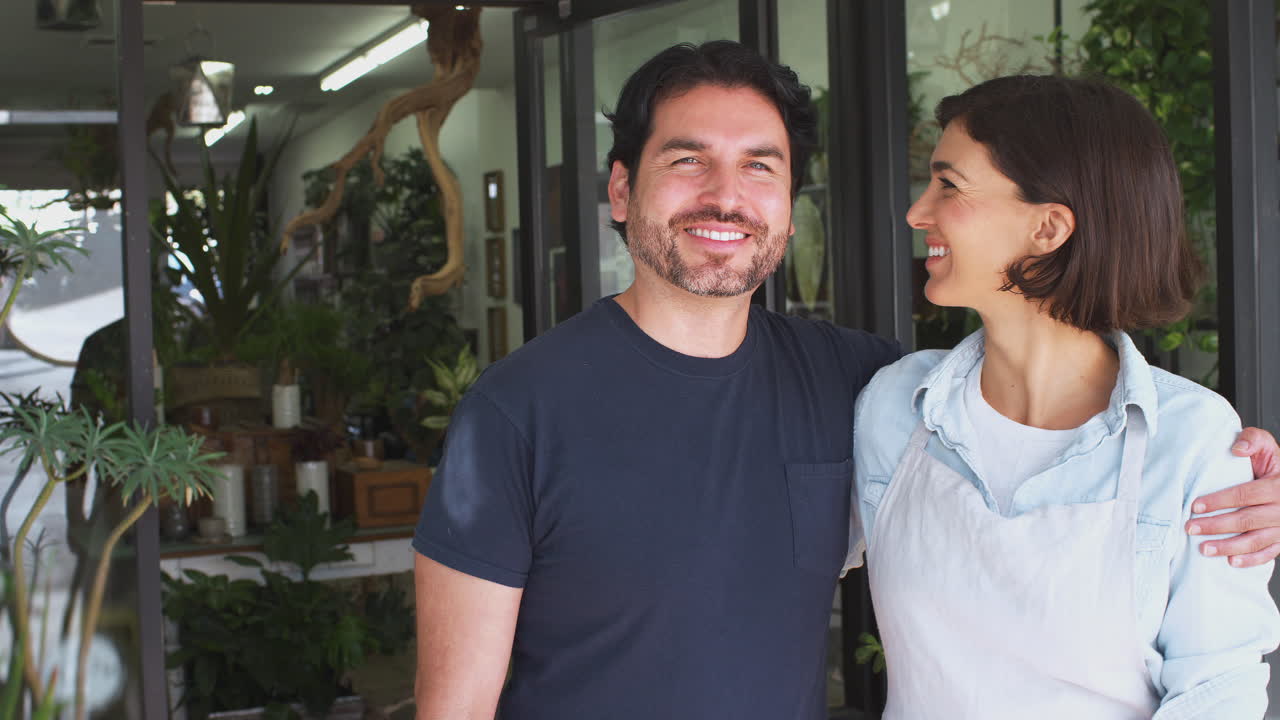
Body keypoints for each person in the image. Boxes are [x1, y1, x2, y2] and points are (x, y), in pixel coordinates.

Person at [413, 42, 1280, 720]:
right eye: (686, 161)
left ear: (789, 203)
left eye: (761, 165)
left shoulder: (872, 390)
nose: (727, 196)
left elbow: (1220, 676)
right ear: (620, 188)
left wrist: (1255, 484)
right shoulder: (519, 410)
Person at [850, 74, 1279, 718]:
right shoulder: (895, 406)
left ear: (1048, 228)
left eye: (949, 185)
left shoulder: (1190, 439)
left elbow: (1218, 695)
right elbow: (762, 554)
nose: (917, 212)